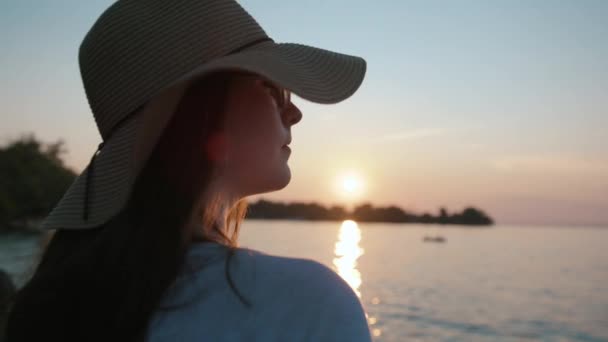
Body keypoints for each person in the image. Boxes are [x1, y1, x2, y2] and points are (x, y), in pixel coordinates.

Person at [6, 0, 369, 341]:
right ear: (203, 109)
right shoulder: (306, 306)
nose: (294, 113)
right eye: (273, 88)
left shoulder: (58, 302)